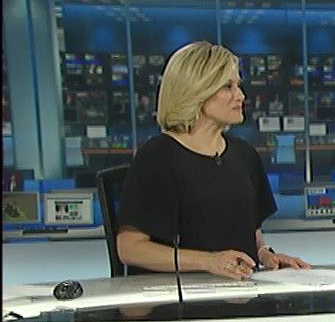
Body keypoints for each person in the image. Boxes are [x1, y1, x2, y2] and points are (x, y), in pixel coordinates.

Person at [117, 41, 310, 279]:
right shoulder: (158, 156)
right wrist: (209, 261)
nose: (240, 96)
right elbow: (129, 248)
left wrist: (264, 254)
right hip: (179, 293)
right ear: (196, 92)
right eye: (227, 87)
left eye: (238, 85)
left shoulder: (244, 154)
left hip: (239, 289)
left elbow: (248, 230)